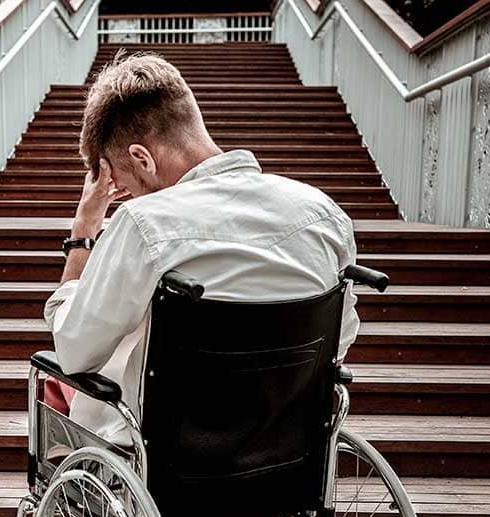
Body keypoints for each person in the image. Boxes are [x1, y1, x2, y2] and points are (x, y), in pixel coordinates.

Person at [44, 53, 360, 445]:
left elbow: (75, 350)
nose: (130, 198)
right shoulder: (324, 215)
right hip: (282, 443)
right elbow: (339, 342)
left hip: (168, 449)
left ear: (142, 158)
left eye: (127, 186)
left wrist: (83, 234)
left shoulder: (146, 223)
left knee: (54, 383)